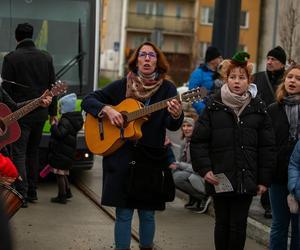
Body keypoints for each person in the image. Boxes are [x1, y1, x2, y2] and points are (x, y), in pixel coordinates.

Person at [81, 41, 183, 250]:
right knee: (124, 212)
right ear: (136, 60)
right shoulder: (120, 85)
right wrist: (107, 110)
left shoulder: (167, 89)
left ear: (158, 61)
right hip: (122, 156)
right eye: (142, 54)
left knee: (147, 212)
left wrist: (177, 114)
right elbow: (88, 100)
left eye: (151, 55)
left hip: (151, 158)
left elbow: (171, 124)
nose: (147, 59)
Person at [190, 51, 275, 250]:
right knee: (223, 223)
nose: (237, 81)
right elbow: (199, 141)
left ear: (249, 80)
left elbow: (267, 147)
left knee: (239, 225)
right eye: (233, 77)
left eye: (242, 77)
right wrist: (205, 169)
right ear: (225, 79)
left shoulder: (258, 108)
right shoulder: (213, 106)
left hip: (247, 177)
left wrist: (264, 179)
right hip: (220, 176)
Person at [1, 22, 57, 207]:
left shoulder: (11, 58)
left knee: (19, 154)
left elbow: (5, 91)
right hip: (40, 113)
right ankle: (32, 191)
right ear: (32, 36)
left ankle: (20, 194)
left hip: (18, 114)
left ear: (17, 37)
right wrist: (52, 112)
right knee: (33, 152)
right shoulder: (46, 57)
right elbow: (52, 87)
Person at [267, 64, 300, 250]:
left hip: (299, 177)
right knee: (279, 225)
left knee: (298, 227)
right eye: (289, 77)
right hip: (278, 176)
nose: (292, 81)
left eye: (297, 78)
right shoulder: (273, 109)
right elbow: (267, 144)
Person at [253, 45, 287, 219]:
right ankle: (263, 199)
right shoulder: (258, 78)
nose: (269, 62)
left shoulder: (287, 79)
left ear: (282, 63)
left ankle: (270, 204)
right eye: (268, 58)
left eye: (273, 59)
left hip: (279, 127)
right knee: (262, 161)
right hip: (260, 125)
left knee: (274, 163)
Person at [44, 93, 83, 204]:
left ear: (65, 108)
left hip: (62, 152)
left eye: (60, 106)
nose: (59, 109)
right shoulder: (72, 119)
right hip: (67, 152)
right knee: (64, 173)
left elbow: (60, 134)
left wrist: (53, 126)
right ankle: (68, 192)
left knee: (59, 174)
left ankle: (62, 196)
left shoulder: (65, 120)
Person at [170, 116, 211, 213]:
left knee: (177, 178)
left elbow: (198, 168)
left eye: (189, 126)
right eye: (183, 126)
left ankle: (204, 197)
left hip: (203, 175)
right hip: (192, 173)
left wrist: (179, 165)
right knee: (172, 173)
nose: (186, 128)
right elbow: (181, 162)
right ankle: (194, 197)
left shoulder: (198, 143)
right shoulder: (185, 143)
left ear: (195, 128)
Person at [188, 46, 223, 114]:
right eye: (219, 57)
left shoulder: (222, 73)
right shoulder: (198, 73)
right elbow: (192, 96)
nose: (222, 59)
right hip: (206, 113)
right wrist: (204, 111)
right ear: (212, 60)